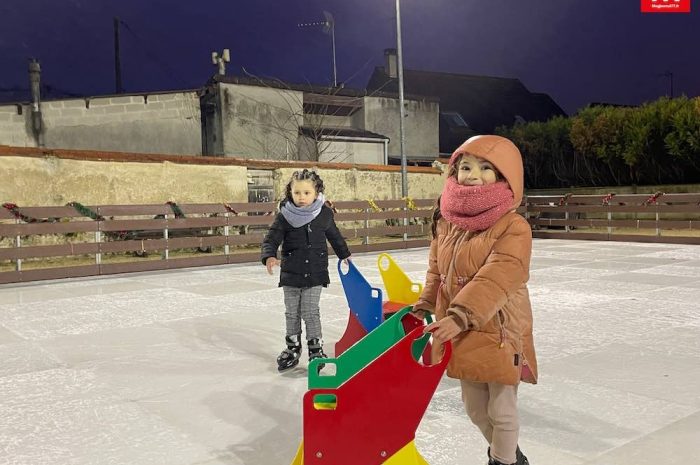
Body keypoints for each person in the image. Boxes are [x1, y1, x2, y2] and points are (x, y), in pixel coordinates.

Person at [412, 135, 537, 465]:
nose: (473, 175)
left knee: (501, 408)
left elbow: (498, 276)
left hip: (499, 328)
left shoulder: (513, 226)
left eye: (486, 168)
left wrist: (459, 316)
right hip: (462, 328)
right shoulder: (446, 221)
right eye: (465, 167)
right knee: (475, 408)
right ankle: (510, 455)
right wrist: (425, 302)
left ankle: (503, 461)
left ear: (506, 177)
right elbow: (436, 270)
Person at [261, 169, 351, 372]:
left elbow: (334, 236)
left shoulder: (324, 214)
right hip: (291, 272)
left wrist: (344, 254)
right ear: (290, 193)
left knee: (310, 312)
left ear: (317, 193)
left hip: (315, 273)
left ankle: (315, 349)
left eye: (307, 193)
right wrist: (269, 256)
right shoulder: (284, 216)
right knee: (291, 313)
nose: (302, 197)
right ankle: (292, 348)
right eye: (297, 193)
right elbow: (272, 238)